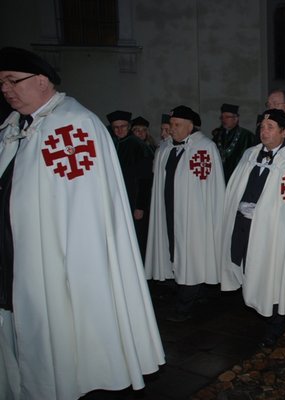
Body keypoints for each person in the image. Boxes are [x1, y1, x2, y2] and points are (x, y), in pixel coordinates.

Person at [0, 46, 164, 400]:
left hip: (56, 257)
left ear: (42, 81)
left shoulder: (73, 126)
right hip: (13, 255)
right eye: (1, 83)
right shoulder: (15, 128)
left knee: (62, 333)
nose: (6, 89)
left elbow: (84, 209)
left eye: (13, 81)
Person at [220, 109, 285, 347]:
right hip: (244, 224)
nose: (264, 131)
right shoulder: (250, 154)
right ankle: (254, 305)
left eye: (270, 127)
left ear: (284, 133)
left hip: (274, 233)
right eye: (262, 126)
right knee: (244, 265)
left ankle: (275, 324)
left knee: (272, 275)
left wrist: (263, 213)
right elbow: (235, 188)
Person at [145, 105, 225, 322]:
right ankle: (189, 291)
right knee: (172, 251)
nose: (172, 129)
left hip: (194, 216)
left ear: (191, 126)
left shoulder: (204, 148)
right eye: (171, 125)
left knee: (192, 255)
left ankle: (185, 305)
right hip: (168, 211)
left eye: (177, 125)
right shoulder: (165, 149)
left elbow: (213, 187)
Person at [106, 109, 154, 256]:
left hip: (134, 200)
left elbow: (145, 179)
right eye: (116, 127)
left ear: (129, 126)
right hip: (116, 200)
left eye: (123, 126)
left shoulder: (138, 146)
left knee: (137, 239)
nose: (120, 130)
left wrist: (140, 206)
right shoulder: (110, 144)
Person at [211, 103, 256, 182]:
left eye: (227, 117)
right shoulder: (217, 135)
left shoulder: (247, 136)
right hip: (219, 177)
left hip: (238, 177)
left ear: (236, 118)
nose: (224, 120)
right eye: (222, 117)